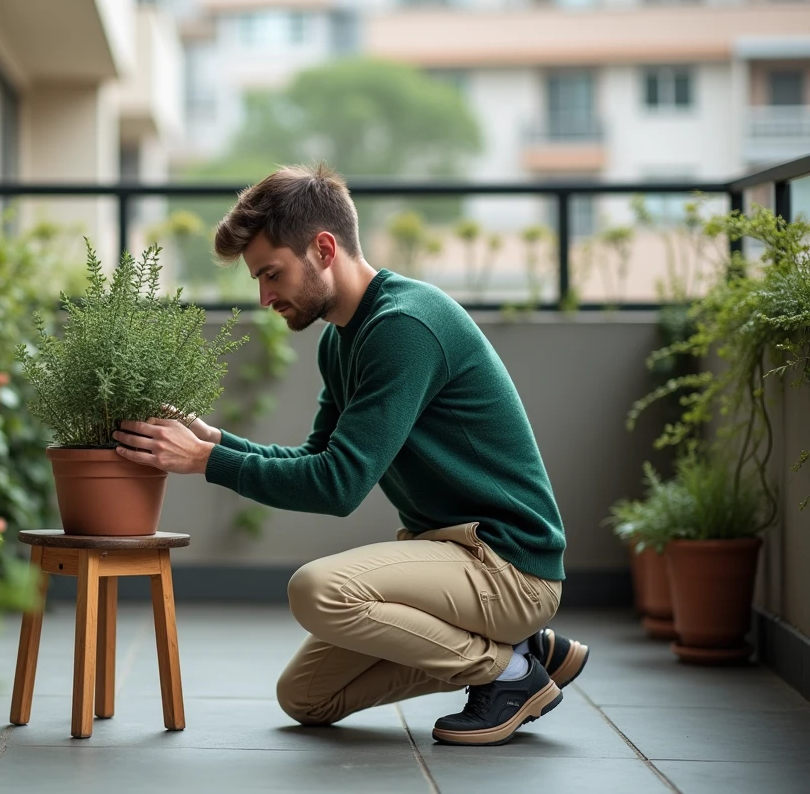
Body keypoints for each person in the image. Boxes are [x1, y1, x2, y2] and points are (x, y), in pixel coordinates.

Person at [112, 162, 590, 747]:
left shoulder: (404, 327)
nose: (264, 296)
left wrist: (206, 463)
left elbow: (338, 486)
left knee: (318, 590)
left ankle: (509, 672)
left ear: (323, 248)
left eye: (271, 274)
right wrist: (215, 443)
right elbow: (317, 457)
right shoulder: (342, 341)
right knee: (307, 699)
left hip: (507, 563)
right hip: (445, 552)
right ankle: (522, 647)